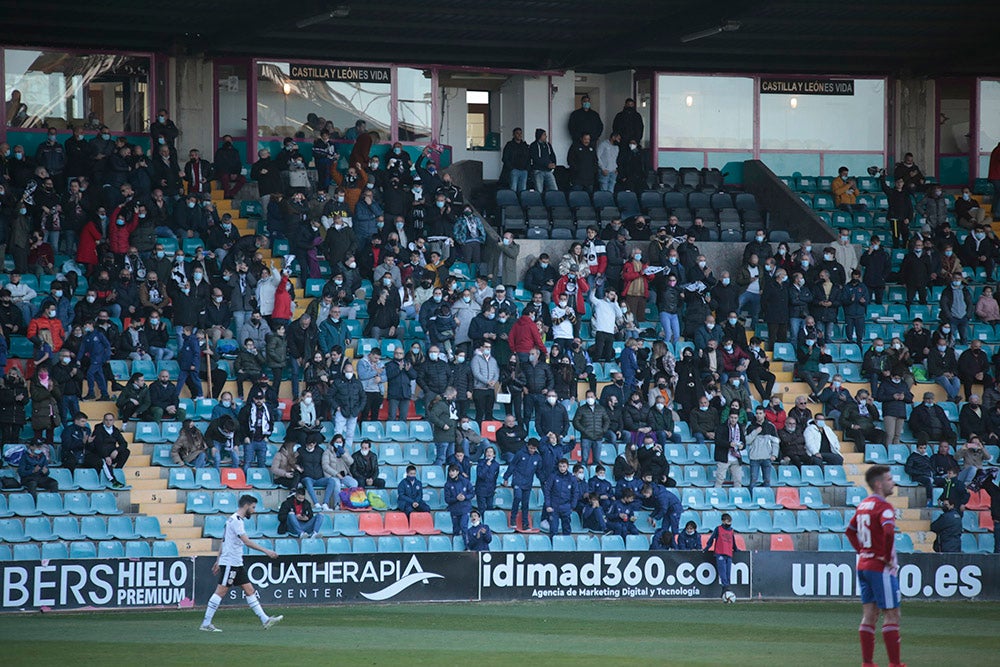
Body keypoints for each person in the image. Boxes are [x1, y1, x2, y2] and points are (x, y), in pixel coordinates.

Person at [845, 465, 904, 667]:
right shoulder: (884, 507)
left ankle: (867, 663)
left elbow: (850, 530)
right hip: (880, 567)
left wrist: (862, 551)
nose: (892, 482)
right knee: (892, 614)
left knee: (869, 615)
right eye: (889, 479)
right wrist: (886, 556)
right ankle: (895, 664)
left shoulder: (863, 505)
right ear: (879, 484)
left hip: (864, 565)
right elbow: (888, 532)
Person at [199, 494, 282, 632]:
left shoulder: (232, 520)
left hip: (236, 563)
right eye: (253, 507)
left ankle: (265, 619)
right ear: (246, 506)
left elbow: (223, 541)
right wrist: (267, 551)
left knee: (250, 590)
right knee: (221, 591)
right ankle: (206, 623)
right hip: (231, 562)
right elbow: (247, 542)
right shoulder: (236, 521)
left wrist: (218, 560)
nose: (254, 511)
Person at [503, 438, 541, 531]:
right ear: (528, 446)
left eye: (534, 449)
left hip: (528, 483)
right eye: (531, 448)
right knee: (517, 497)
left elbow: (539, 471)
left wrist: (544, 480)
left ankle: (525, 523)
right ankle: (512, 519)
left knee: (526, 503)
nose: (532, 450)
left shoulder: (538, 457)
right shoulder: (520, 453)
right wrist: (506, 477)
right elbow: (512, 465)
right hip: (518, 481)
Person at [703, 513, 738, 599]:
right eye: (727, 521)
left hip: (729, 553)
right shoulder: (718, 529)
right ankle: (726, 587)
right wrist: (707, 548)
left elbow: (733, 542)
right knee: (722, 572)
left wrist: (736, 549)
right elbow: (712, 539)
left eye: (729, 521)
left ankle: (725, 589)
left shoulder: (731, 530)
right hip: (720, 553)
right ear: (723, 521)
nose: (728, 523)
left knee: (728, 572)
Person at [543, 458, 578, 537]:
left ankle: (567, 547)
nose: (562, 468)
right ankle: (553, 547)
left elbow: (575, 492)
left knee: (567, 529)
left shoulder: (572, 478)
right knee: (553, 529)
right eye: (560, 466)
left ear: (567, 467)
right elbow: (547, 490)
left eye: (564, 466)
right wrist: (548, 505)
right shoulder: (553, 476)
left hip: (566, 506)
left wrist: (573, 505)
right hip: (554, 506)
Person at [444, 463, 474, 543]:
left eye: (453, 471)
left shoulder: (466, 482)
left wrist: (465, 497)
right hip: (454, 510)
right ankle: (455, 548)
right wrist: (456, 498)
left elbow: (472, 493)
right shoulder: (447, 485)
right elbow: (447, 499)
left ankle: (467, 547)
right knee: (456, 529)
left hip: (465, 508)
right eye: (450, 471)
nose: (451, 473)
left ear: (457, 472)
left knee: (464, 527)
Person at [714, 412, 745, 488]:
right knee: (720, 479)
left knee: (738, 479)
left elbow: (743, 441)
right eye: (732, 417)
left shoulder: (739, 427)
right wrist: (729, 444)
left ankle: (737, 497)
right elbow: (717, 441)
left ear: (738, 418)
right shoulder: (722, 427)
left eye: (735, 418)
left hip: (736, 457)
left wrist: (742, 446)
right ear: (728, 417)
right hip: (724, 456)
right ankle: (716, 495)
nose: (733, 420)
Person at [904, 442, 936, 507]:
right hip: (918, 476)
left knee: (944, 480)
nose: (923, 450)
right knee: (928, 481)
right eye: (921, 448)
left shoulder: (926, 457)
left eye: (924, 448)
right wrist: (920, 473)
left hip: (928, 475)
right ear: (917, 448)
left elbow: (931, 467)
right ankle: (929, 500)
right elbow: (908, 469)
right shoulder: (912, 457)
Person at [501, 128, 531, 192]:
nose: (519, 135)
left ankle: (521, 201)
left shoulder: (525, 146)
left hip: (524, 171)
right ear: (513, 135)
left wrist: (527, 169)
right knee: (513, 189)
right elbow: (505, 158)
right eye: (517, 133)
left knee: (523, 190)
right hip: (513, 171)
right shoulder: (509, 145)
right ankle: (513, 201)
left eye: (520, 133)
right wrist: (511, 168)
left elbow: (529, 158)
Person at [475, 446, 500, 512]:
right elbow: (480, 475)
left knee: (490, 508)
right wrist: (486, 466)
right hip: (481, 490)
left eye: (491, 452)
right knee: (482, 509)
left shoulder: (496, 465)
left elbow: (495, 478)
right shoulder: (480, 463)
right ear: (485, 453)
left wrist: (493, 488)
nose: (489, 453)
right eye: (487, 451)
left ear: (494, 454)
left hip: (490, 490)